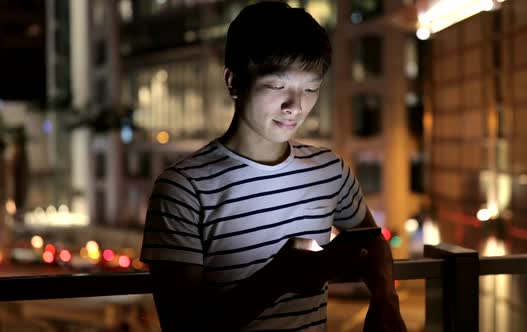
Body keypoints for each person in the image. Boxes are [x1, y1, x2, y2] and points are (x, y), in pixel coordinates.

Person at [140, 1, 407, 331]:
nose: (295, 106)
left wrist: (385, 300)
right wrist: (279, 278)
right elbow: (182, 326)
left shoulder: (330, 171)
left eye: (310, 89)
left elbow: (371, 239)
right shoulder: (183, 188)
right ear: (234, 82)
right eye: (277, 86)